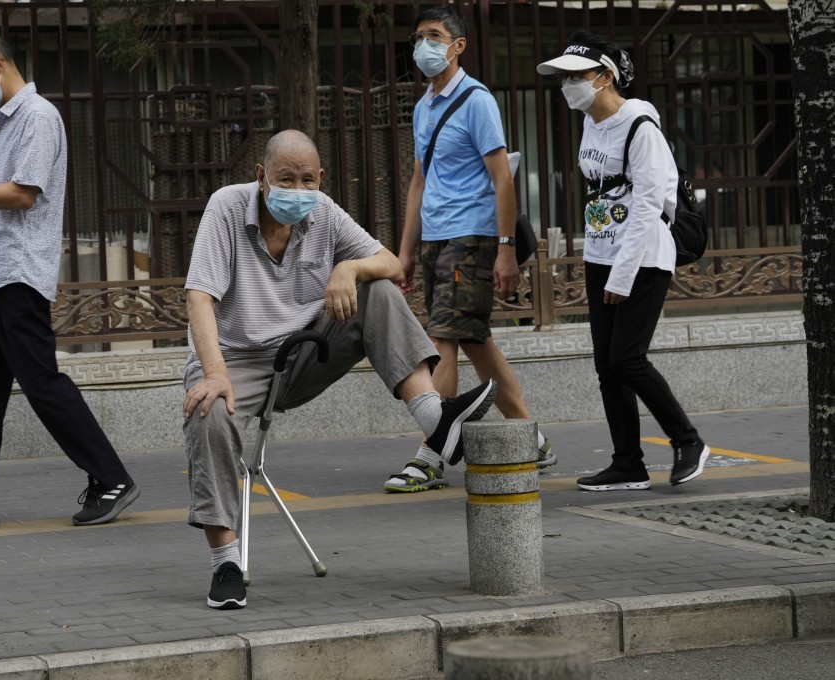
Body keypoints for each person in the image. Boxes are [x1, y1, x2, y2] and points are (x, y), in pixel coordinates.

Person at [183, 129, 496, 609]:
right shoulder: (226, 206)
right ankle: (225, 563)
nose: (298, 189)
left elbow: (390, 262)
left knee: (379, 289)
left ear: (321, 178)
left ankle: (435, 419)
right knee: (209, 414)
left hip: (302, 355)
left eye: (308, 179)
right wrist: (214, 373)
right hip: (235, 358)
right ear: (261, 177)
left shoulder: (324, 212)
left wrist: (347, 270)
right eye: (286, 178)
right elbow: (198, 296)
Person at [0, 30, 139, 528]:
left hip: (14, 274)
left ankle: (111, 478)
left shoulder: (38, 117)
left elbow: (22, 196)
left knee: (40, 381)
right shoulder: (3, 122)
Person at [386, 6, 553, 495]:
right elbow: (418, 181)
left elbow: (503, 179)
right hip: (437, 237)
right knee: (474, 339)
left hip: (472, 237)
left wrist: (504, 249)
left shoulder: (477, 100)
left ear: (458, 45)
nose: (424, 45)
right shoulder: (423, 107)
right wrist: (406, 251)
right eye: (419, 37)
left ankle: (430, 453)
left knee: (444, 339)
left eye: (435, 36)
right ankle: (533, 439)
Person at [536, 31, 710, 491]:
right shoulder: (592, 124)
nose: (568, 84)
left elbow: (649, 205)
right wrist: (600, 260)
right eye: (564, 77)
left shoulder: (641, 128)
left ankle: (688, 440)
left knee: (627, 358)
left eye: (577, 75)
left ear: (605, 76)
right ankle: (628, 463)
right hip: (601, 256)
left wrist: (623, 271)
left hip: (644, 257)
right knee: (606, 365)